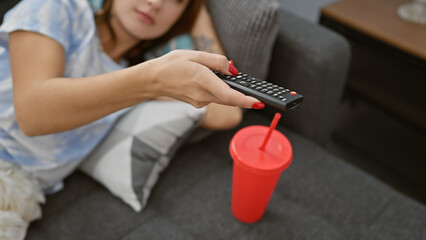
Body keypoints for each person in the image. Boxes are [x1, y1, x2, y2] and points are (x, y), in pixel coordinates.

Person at [0, 0, 262, 239]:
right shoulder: (58, 7)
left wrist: (197, 14)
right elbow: (33, 115)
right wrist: (152, 81)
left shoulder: (143, 73)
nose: (156, 3)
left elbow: (227, 114)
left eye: (176, 1)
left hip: (19, 197)